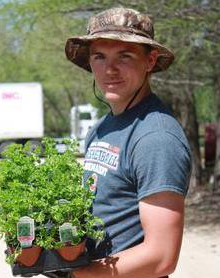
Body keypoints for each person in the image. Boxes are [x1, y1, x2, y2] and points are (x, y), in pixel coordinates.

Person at [64, 6, 192, 278]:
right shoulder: (101, 128)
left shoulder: (156, 137)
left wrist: (78, 274)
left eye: (125, 55)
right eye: (99, 56)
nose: (110, 69)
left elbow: (161, 256)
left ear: (150, 60)